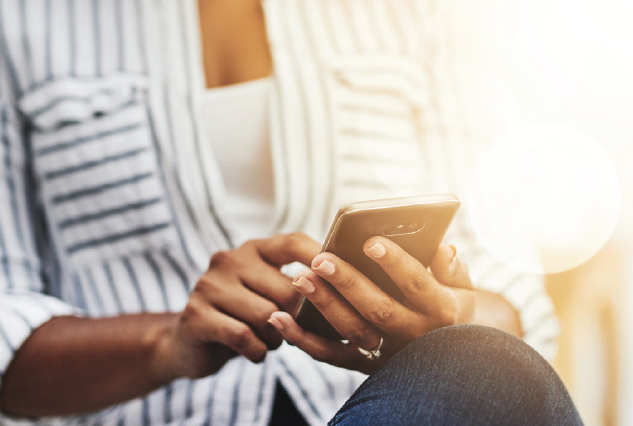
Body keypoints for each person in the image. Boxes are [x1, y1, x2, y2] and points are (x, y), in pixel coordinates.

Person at [0, 1, 580, 425]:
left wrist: (447, 322)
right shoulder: (24, 21)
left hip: (389, 410)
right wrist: (165, 341)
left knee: (490, 365)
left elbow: (514, 296)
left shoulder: (422, 14)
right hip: (152, 413)